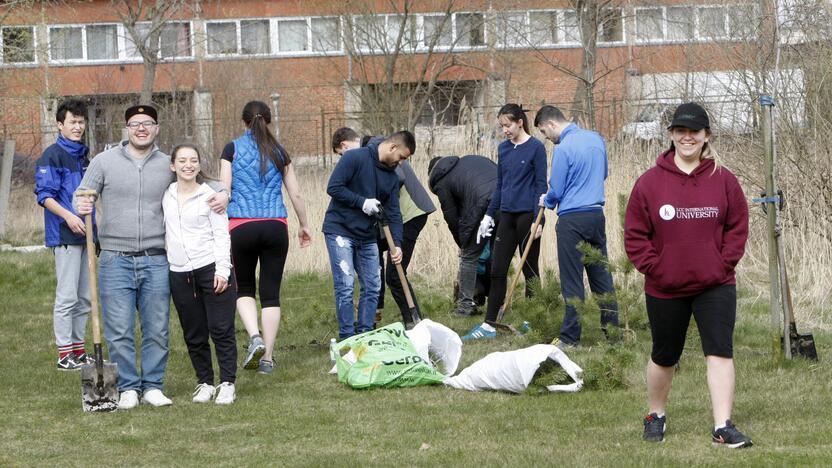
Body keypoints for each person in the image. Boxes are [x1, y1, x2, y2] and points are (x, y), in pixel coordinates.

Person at [75, 104, 229, 410]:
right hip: (114, 258)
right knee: (118, 328)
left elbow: (209, 182)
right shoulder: (104, 162)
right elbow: (82, 192)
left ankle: (153, 386)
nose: (141, 128)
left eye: (147, 123)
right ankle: (129, 387)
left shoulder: (167, 164)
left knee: (156, 327)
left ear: (156, 129)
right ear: (127, 129)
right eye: (135, 124)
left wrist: (224, 194)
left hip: (157, 258)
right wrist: (81, 204)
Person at [624, 102, 752, 447]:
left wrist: (723, 264)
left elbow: (738, 226)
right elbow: (635, 235)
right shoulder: (649, 183)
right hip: (665, 287)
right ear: (671, 136)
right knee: (665, 355)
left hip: (716, 284)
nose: (687, 137)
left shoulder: (723, 180)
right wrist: (656, 268)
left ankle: (723, 426)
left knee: (720, 351)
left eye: (694, 132)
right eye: (681, 131)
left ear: (706, 136)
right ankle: (656, 415)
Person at [220, 100, 311, 376]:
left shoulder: (232, 149)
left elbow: (224, 190)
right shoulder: (280, 152)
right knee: (270, 293)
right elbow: (295, 193)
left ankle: (254, 337)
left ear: (243, 122)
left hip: (241, 227)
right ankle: (268, 359)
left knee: (244, 288)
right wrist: (304, 225)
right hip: (275, 226)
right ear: (268, 121)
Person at [332, 127, 436, 328]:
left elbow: (398, 178)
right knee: (374, 261)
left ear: (344, 145)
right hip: (390, 218)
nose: (343, 159)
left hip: (409, 214)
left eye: (341, 154)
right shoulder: (370, 150)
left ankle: (414, 322)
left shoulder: (376, 147)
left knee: (394, 273)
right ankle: (374, 314)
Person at [535, 105, 620, 348]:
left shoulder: (564, 149)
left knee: (572, 280)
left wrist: (547, 200)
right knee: (601, 277)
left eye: (544, 132)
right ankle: (612, 333)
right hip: (595, 216)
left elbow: (557, 189)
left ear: (551, 124)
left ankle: (570, 338)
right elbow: (603, 173)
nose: (547, 138)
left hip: (572, 220)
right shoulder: (595, 139)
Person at [463, 104, 547, 341]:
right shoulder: (504, 149)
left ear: (520, 122)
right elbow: (500, 185)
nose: (505, 130)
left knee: (530, 269)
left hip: (528, 217)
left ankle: (534, 319)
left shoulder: (536, 148)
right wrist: (489, 215)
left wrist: (540, 219)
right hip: (506, 216)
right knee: (497, 269)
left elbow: (541, 185)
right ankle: (489, 324)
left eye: (508, 125)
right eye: (502, 126)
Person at [163, 144, 237, 404]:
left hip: (211, 269)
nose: (188, 165)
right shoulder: (167, 195)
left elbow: (221, 235)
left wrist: (222, 271)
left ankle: (227, 382)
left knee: (221, 328)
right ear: (173, 165)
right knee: (194, 332)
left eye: (193, 160)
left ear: (198, 165)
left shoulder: (211, 195)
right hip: (180, 273)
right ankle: (204, 382)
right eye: (182, 161)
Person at [323, 131, 414, 339]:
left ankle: (364, 336)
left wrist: (397, 244)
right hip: (340, 230)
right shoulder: (354, 157)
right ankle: (347, 338)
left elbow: (394, 213)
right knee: (346, 286)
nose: (401, 163)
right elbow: (334, 188)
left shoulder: (391, 177)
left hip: (367, 236)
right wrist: (362, 202)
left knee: (373, 286)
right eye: (402, 157)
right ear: (392, 147)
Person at [34, 99, 95, 371]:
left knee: (84, 297)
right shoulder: (52, 155)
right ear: (60, 125)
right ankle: (64, 354)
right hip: (64, 234)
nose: (78, 127)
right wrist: (69, 216)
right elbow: (44, 196)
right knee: (67, 296)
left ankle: (79, 350)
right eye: (73, 122)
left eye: (81, 122)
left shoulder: (84, 155)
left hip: (87, 235)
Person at [427, 155, 497, 316]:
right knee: (496, 253)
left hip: (482, 204)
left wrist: (463, 244)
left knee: (469, 256)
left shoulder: (441, 181)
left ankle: (466, 306)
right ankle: (496, 303)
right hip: (505, 201)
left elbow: (451, 217)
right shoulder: (470, 161)